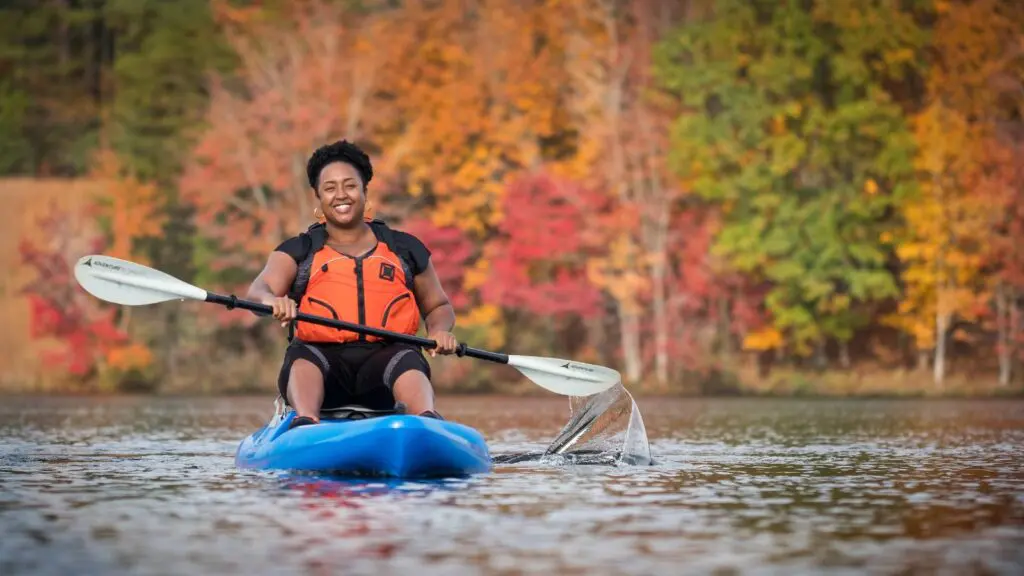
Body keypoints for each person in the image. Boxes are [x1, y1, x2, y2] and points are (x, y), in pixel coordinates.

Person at [245, 140, 459, 430]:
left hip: (385, 371)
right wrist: (274, 302)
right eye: (330, 188)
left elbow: (438, 306)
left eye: (349, 186)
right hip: (322, 365)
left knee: (407, 357)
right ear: (318, 197)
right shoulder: (299, 250)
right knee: (304, 355)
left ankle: (427, 423)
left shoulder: (404, 249)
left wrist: (439, 331)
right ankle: (305, 422)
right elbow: (258, 292)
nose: (341, 195)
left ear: (364, 191)